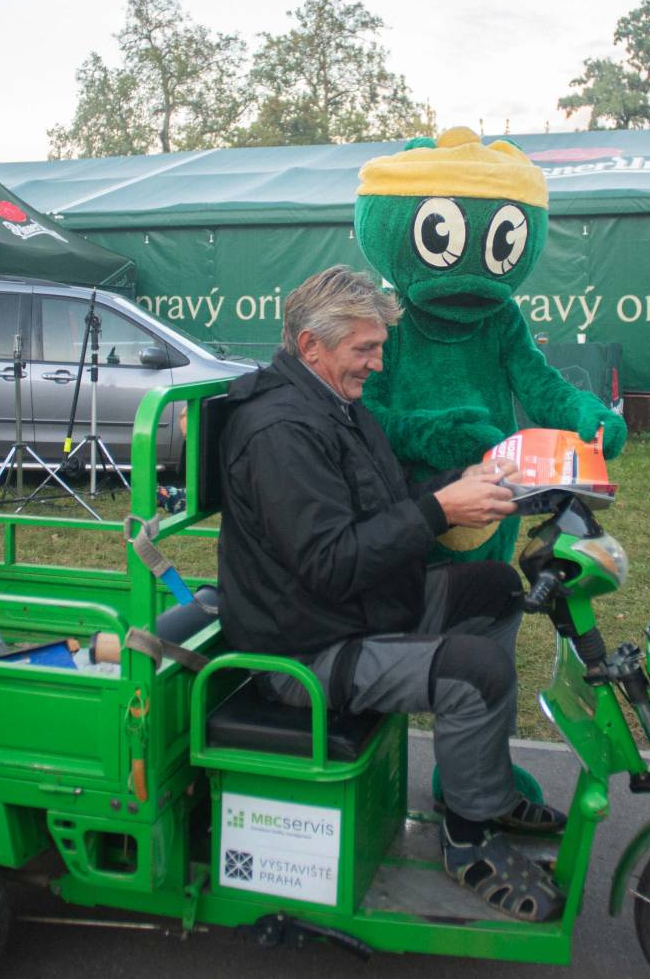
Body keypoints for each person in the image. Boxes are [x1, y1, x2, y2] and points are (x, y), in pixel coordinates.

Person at [217, 265, 566, 922]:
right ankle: (469, 842)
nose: (378, 364)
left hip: (350, 609)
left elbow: (384, 504)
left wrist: (462, 482)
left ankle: (480, 788)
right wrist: (439, 511)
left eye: (378, 347)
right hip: (306, 651)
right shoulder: (279, 432)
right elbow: (329, 563)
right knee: (476, 672)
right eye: (364, 350)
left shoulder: (334, 407)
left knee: (494, 588)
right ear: (310, 346)